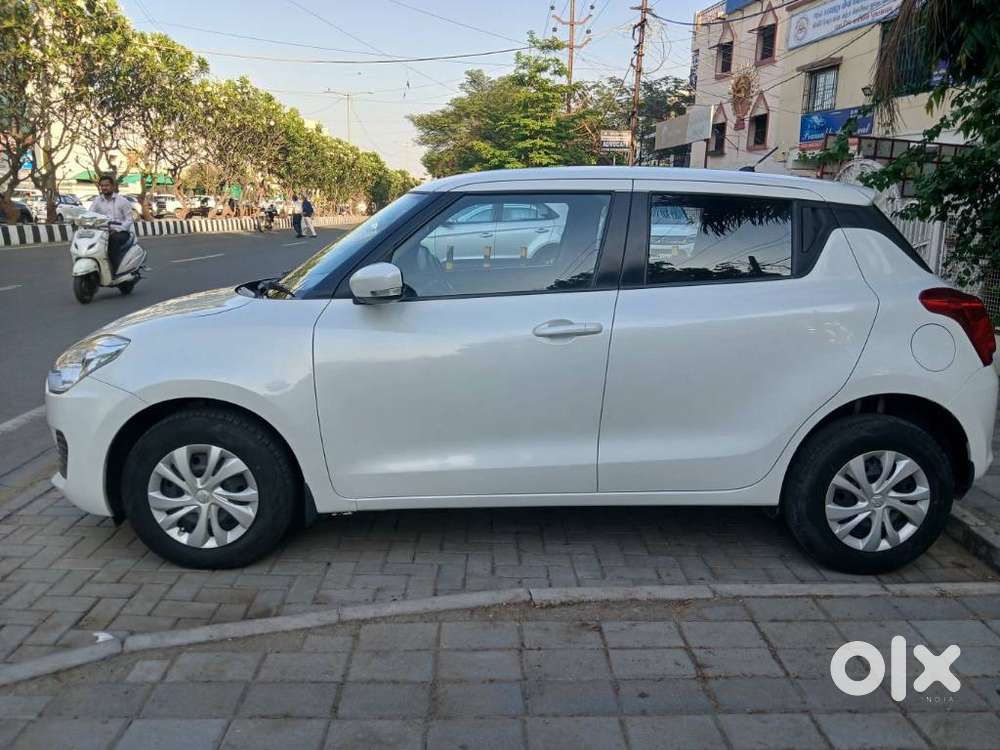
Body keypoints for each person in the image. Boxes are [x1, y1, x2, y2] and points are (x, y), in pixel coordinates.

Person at [88, 175, 134, 274]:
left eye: (107, 185)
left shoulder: (123, 201)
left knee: (113, 240)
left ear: (113, 186)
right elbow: (90, 214)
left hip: (121, 232)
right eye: (102, 186)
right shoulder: (97, 201)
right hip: (102, 232)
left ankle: (115, 270)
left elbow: (129, 220)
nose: (104, 188)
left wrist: (118, 229)